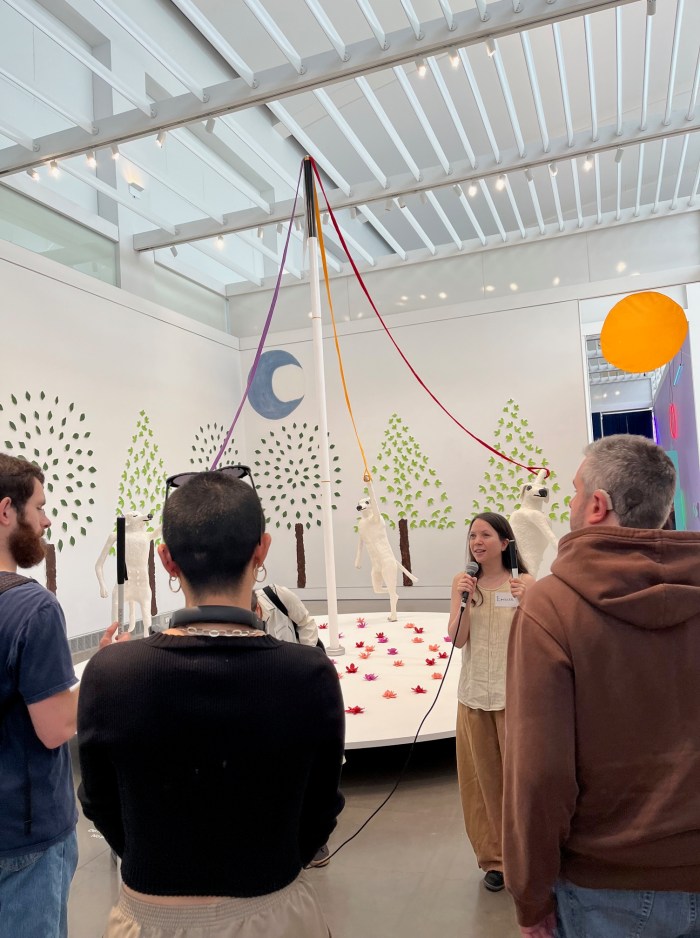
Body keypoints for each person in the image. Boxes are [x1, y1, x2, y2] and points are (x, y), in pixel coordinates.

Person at [78, 465, 345, 938]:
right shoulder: (309, 675)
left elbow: (101, 804)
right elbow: (320, 811)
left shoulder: (111, 675)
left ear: (166, 559)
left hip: (147, 918)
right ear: (262, 548)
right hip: (277, 914)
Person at [503, 434, 700, 938]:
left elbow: (540, 775)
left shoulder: (551, 608)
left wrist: (530, 893)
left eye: (573, 492)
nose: (567, 503)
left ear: (596, 505)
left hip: (607, 888)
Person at [0, 453, 121, 938]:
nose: (48, 519)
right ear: (6, 510)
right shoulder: (34, 609)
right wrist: (103, 675)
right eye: (41, 506)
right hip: (23, 840)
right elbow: (54, 730)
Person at [448, 511, 532, 893]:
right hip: (474, 699)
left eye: (485, 535)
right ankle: (495, 860)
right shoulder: (463, 584)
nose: (477, 542)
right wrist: (464, 599)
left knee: (521, 784)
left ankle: (529, 856)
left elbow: (541, 639)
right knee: (482, 786)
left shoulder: (525, 584)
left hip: (516, 699)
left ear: (505, 542)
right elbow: (458, 639)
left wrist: (530, 601)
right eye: (472, 536)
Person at [254, 583, 320, 647]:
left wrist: (308, 654)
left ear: (257, 607)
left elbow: (305, 622)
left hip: (297, 655)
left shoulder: (277, 594)